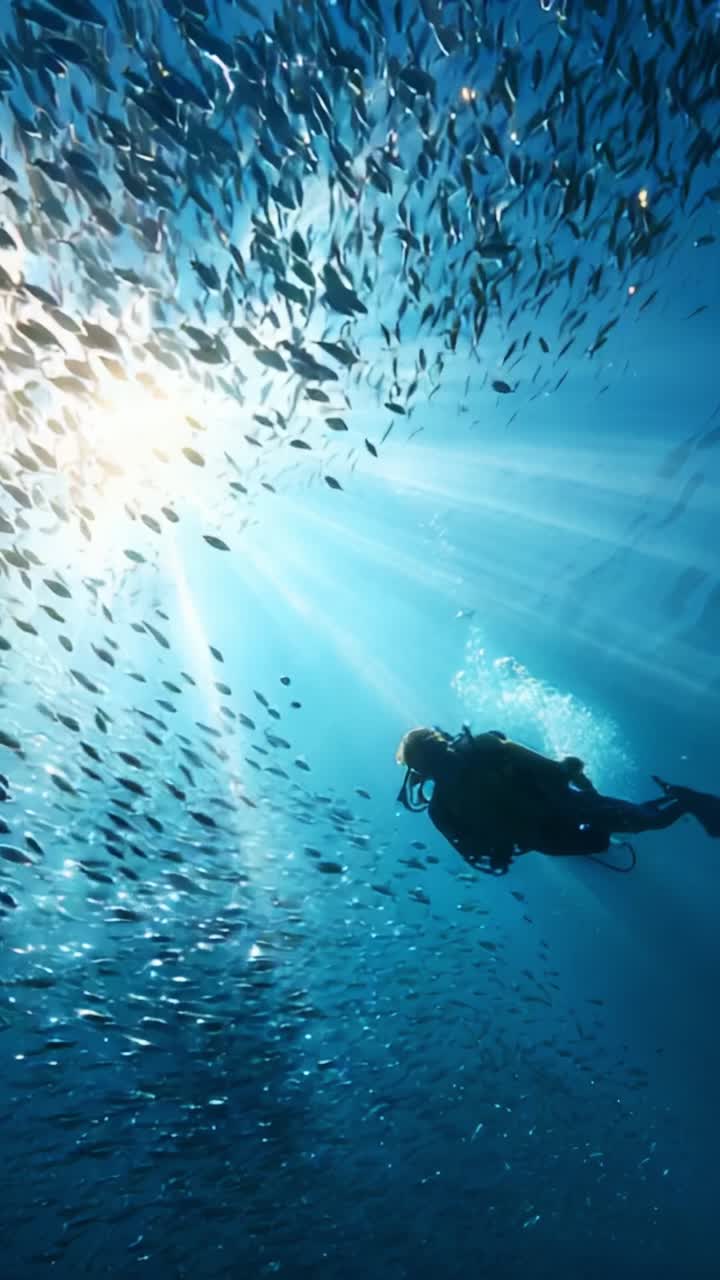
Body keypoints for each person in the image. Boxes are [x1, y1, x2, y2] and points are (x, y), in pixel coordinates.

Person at [395, 726, 720, 874]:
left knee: (652, 822)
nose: (442, 764)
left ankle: (686, 800)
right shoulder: (442, 809)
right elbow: (474, 853)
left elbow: (554, 767)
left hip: (563, 809)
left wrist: (580, 781)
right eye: (431, 762)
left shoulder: (486, 749)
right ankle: (618, 826)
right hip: (546, 834)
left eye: (438, 754)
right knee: (602, 839)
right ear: (421, 773)